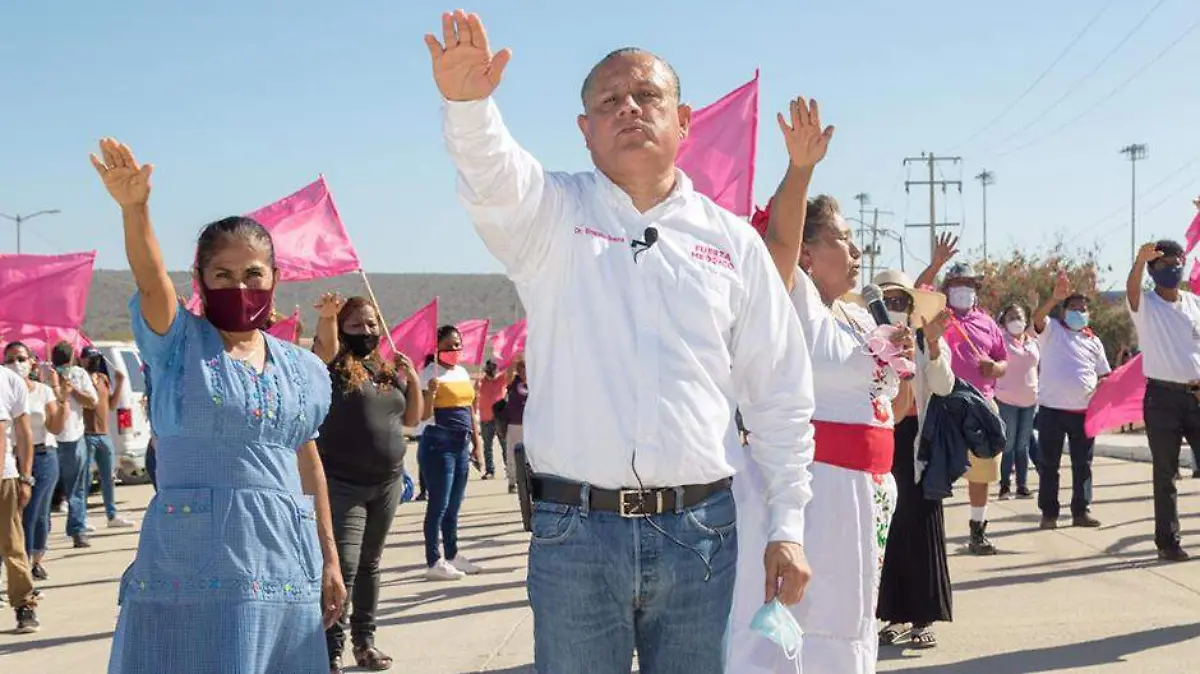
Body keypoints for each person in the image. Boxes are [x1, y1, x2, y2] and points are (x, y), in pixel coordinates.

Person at [428, 13, 815, 673]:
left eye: (647, 96)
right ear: (585, 131)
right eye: (609, 101)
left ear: (684, 120)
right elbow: (495, 179)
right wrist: (469, 108)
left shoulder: (731, 243)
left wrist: (787, 528)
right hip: (575, 537)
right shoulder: (552, 218)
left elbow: (779, 391)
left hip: (701, 534)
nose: (629, 108)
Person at [90, 137, 346, 673]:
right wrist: (136, 211)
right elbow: (150, 280)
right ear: (201, 281)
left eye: (253, 273)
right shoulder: (178, 344)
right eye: (223, 275)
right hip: (190, 563)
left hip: (283, 561)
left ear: (275, 278)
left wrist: (329, 558)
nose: (241, 285)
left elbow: (307, 462)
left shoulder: (302, 369)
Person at [737, 113, 912, 672]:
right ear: (807, 254)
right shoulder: (793, 300)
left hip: (869, 492)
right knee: (814, 630)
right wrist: (801, 170)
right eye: (843, 239)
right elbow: (779, 241)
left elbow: (893, 412)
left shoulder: (861, 320)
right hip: (821, 492)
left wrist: (901, 360)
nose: (857, 251)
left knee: (856, 623)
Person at [312, 293, 422, 673]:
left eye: (372, 324)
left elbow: (410, 419)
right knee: (342, 565)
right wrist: (327, 317)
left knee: (371, 565)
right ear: (343, 329)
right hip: (343, 484)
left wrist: (414, 382)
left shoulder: (385, 369)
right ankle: (330, 650)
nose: (367, 330)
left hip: (387, 483)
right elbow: (324, 345)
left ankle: (365, 642)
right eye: (356, 324)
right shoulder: (333, 367)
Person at [874, 271, 955, 650]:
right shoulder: (863, 338)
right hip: (877, 441)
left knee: (921, 529)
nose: (896, 309)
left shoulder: (925, 340)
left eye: (902, 302)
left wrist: (934, 346)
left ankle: (924, 617)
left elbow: (942, 386)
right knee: (886, 530)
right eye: (888, 301)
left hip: (917, 444)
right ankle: (893, 614)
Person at [917, 241, 1008, 556]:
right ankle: (932, 536)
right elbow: (917, 292)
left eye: (968, 285)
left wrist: (994, 367)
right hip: (945, 403)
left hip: (981, 404)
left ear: (976, 289)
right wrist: (935, 264)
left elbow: (1003, 360)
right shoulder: (938, 315)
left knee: (982, 473)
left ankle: (977, 532)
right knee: (939, 469)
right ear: (946, 288)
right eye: (955, 285)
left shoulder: (987, 323)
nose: (962, 290)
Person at [1126, 236, 1200, 561]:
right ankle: (1168, 542)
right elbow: (1131, 290)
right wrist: (1139, 261)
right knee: (1165, 473)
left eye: (1177, 263)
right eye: (1164, 265)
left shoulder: (1194, 303)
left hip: (1196, 396)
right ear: (1153, 271)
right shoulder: (1145, 305)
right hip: (1162, 399)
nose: (1173, 269)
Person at [1032, 274, 1110, 530]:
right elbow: (1036, 319)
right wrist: (1054, 298)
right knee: (1049, 465)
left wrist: (1104, 390)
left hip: (1084, 413)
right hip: (1051, 411)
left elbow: (1104, 375)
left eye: (1083, 309)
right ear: (1063, 311)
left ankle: (1081, 511)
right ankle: (1049, 513)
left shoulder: (1093, 341)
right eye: (1073, 308)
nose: (1079, 312)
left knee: (1082, 465)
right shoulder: (1052, 330)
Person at [418, 325, 483, 581]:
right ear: (437, 349)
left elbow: (468, 410)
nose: (455, 350)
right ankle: (434, 560)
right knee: (439, 504)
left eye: (458, 345)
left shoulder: (462, 372)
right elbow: (422, 416)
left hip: (462, 444)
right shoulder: (428, 375)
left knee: (455, 504)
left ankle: (453, 554)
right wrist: (431, 393)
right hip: (438, 444)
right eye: (449, 346)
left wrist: (476, 443)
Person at [4, 343, 66, 582]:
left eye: (20, 358)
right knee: (16, 516)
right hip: (11, 457)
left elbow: (55, 427)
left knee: (37, 514)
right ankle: (20, 569)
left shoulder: (43, 391)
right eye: (9, 359)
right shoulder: (5, 390)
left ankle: (33, 562)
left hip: (43, 456)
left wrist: (63, 401)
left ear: (31, 361)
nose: (15, 364)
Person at [0, 355, 38, 632]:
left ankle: (24, 604)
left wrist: (26, 477)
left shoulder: (9, 380)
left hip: (5, 479)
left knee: (12, 544)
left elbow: (23, 434)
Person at [48, 341, 98, 548]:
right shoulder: (45, 374)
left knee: (76, 487)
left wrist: (72, 390)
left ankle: (78, 530)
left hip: (73, 438)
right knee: (46, 491)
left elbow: (92, 401)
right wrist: (54, 383)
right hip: (49, 440)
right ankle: (42, 534)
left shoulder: (78, 374)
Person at [80, 345, 134, 529]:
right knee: (85, 478)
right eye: (89, 358)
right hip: (87, 434)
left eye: (95, 358)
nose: (93, 361)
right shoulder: (81, 378)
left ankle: (112, 515)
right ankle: (81, 518)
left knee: (108, 477)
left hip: (104, 434)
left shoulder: (103, 378)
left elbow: (111, 404)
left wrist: (119, 383)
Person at [995, 304, 1039, 500]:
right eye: (1011, 317)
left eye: (1019, 316)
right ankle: (1005, 485)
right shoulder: (1000, 340)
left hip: (1030, 401)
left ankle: (1022, 485)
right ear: (1004, 322)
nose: (1016, 320)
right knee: (1009, 444)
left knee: (1023, 445)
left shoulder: (1032, 342)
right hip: (1007, 399)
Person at [475, 359, 507, 480]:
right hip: (485, 418)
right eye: (489, 370)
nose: (491, 372)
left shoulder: (501, 380)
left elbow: (510, 370)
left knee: (504, 445)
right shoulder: (481, 382)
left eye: (493, 369)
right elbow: (474, 397)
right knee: (487, 446)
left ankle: (509, 470)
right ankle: (490, 471)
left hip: (500, 418)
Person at [501, 355, 528, 494]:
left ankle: (526, 480)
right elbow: (508, 374)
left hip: (530, 425)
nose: (525, 373)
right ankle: (512, 481)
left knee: (528, 454)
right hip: (514, 424)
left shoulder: (533, 383)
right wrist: (513, 359)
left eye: (526, 370)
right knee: (512, 453)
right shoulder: (514, 383)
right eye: (522, 370)